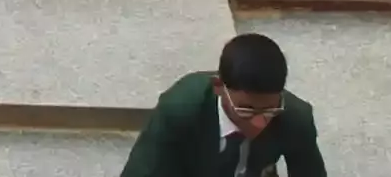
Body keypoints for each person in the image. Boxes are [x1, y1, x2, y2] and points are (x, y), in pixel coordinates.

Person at [120, 34, 324, 175]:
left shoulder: (296, 117)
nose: (260, 122)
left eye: (270, 110)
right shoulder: (180, 109)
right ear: (218, 86)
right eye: (246, 110)